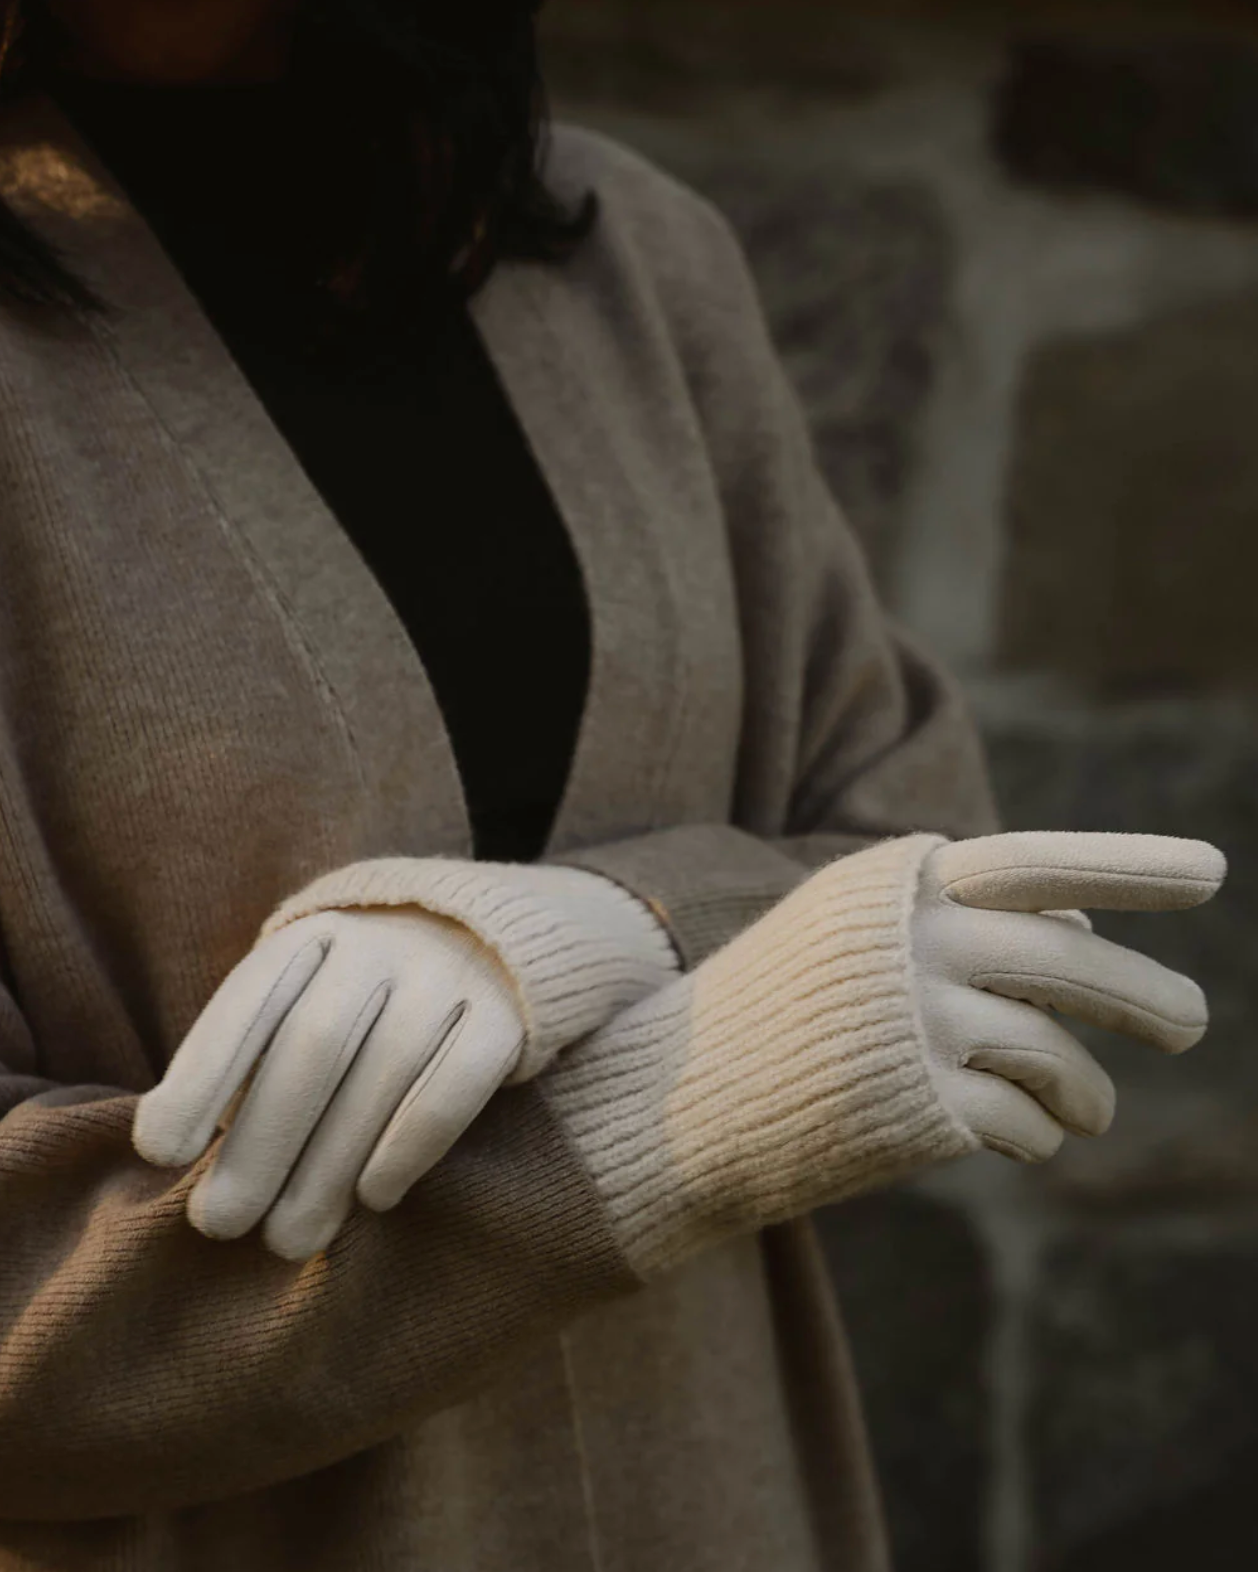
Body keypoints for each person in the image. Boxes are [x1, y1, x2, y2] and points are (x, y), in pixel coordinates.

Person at [0, 1, 1226, 1568]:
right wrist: (646, 1123)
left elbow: (926, 840)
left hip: (711, 1499)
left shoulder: (624, 257)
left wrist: (607, 925)